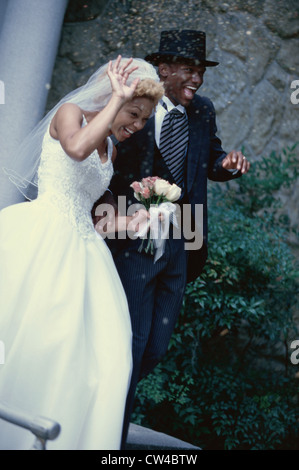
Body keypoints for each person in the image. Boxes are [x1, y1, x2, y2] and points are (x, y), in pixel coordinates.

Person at [0, 56, 164, 450]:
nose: (138, 126)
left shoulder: (109, 146)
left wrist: (133, 223)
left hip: (86, 253)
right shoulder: (70, 114)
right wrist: (115, 103)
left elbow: (94, 220)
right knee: (41, 343)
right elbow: (74, 149)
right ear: (113, 94)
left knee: (110, 359)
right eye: (134, 113)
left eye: (145, 119)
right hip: (42, 242)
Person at [104, 30, 250, 448]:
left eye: (201, 72)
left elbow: (211, 160)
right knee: (130, 345)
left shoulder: (202, 111)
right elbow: (110, 162)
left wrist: (228, 164)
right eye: (190, 70)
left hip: (183, 243)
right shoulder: (139, 106)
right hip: (134, 243)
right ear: (164, 69)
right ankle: (108, 434)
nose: (198, 80)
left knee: (154, 348)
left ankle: (111, 415)